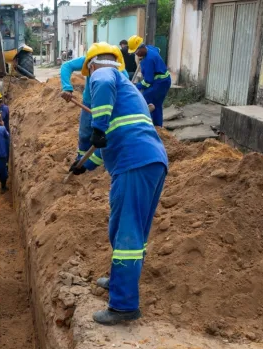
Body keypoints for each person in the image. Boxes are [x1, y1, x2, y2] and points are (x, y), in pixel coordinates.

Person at [69, 42, 168, 325]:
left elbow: (101, 127)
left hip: (135, 163)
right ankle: (117, 282)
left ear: (92, 65)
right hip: (145, 161)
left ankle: (123, 306)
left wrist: (97, 127)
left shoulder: (104, 74)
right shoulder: (127, 92)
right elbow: (104, 145)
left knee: (128, 235)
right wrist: (83, 165)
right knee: (123, 229)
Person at [60, 43, 127, 172]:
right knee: (85, 133)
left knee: (109, 134)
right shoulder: (89, 60)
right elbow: (66, 66)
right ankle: (82, 159)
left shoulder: (121, 72)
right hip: (89, 102)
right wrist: (67, 88)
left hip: (109, 104)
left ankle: (104, 162)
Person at [127, 35, 171, 127]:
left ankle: (151, 125)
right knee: (156, 104)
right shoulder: (150, 48)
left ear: (141, 48)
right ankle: (157, 126)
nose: (136, 54)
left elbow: (148, 82)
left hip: (160, 83)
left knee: (146, 99)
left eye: (136, 51)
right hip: (164, 80)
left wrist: (136, 86)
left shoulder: (148, 61)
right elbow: (158, 49)